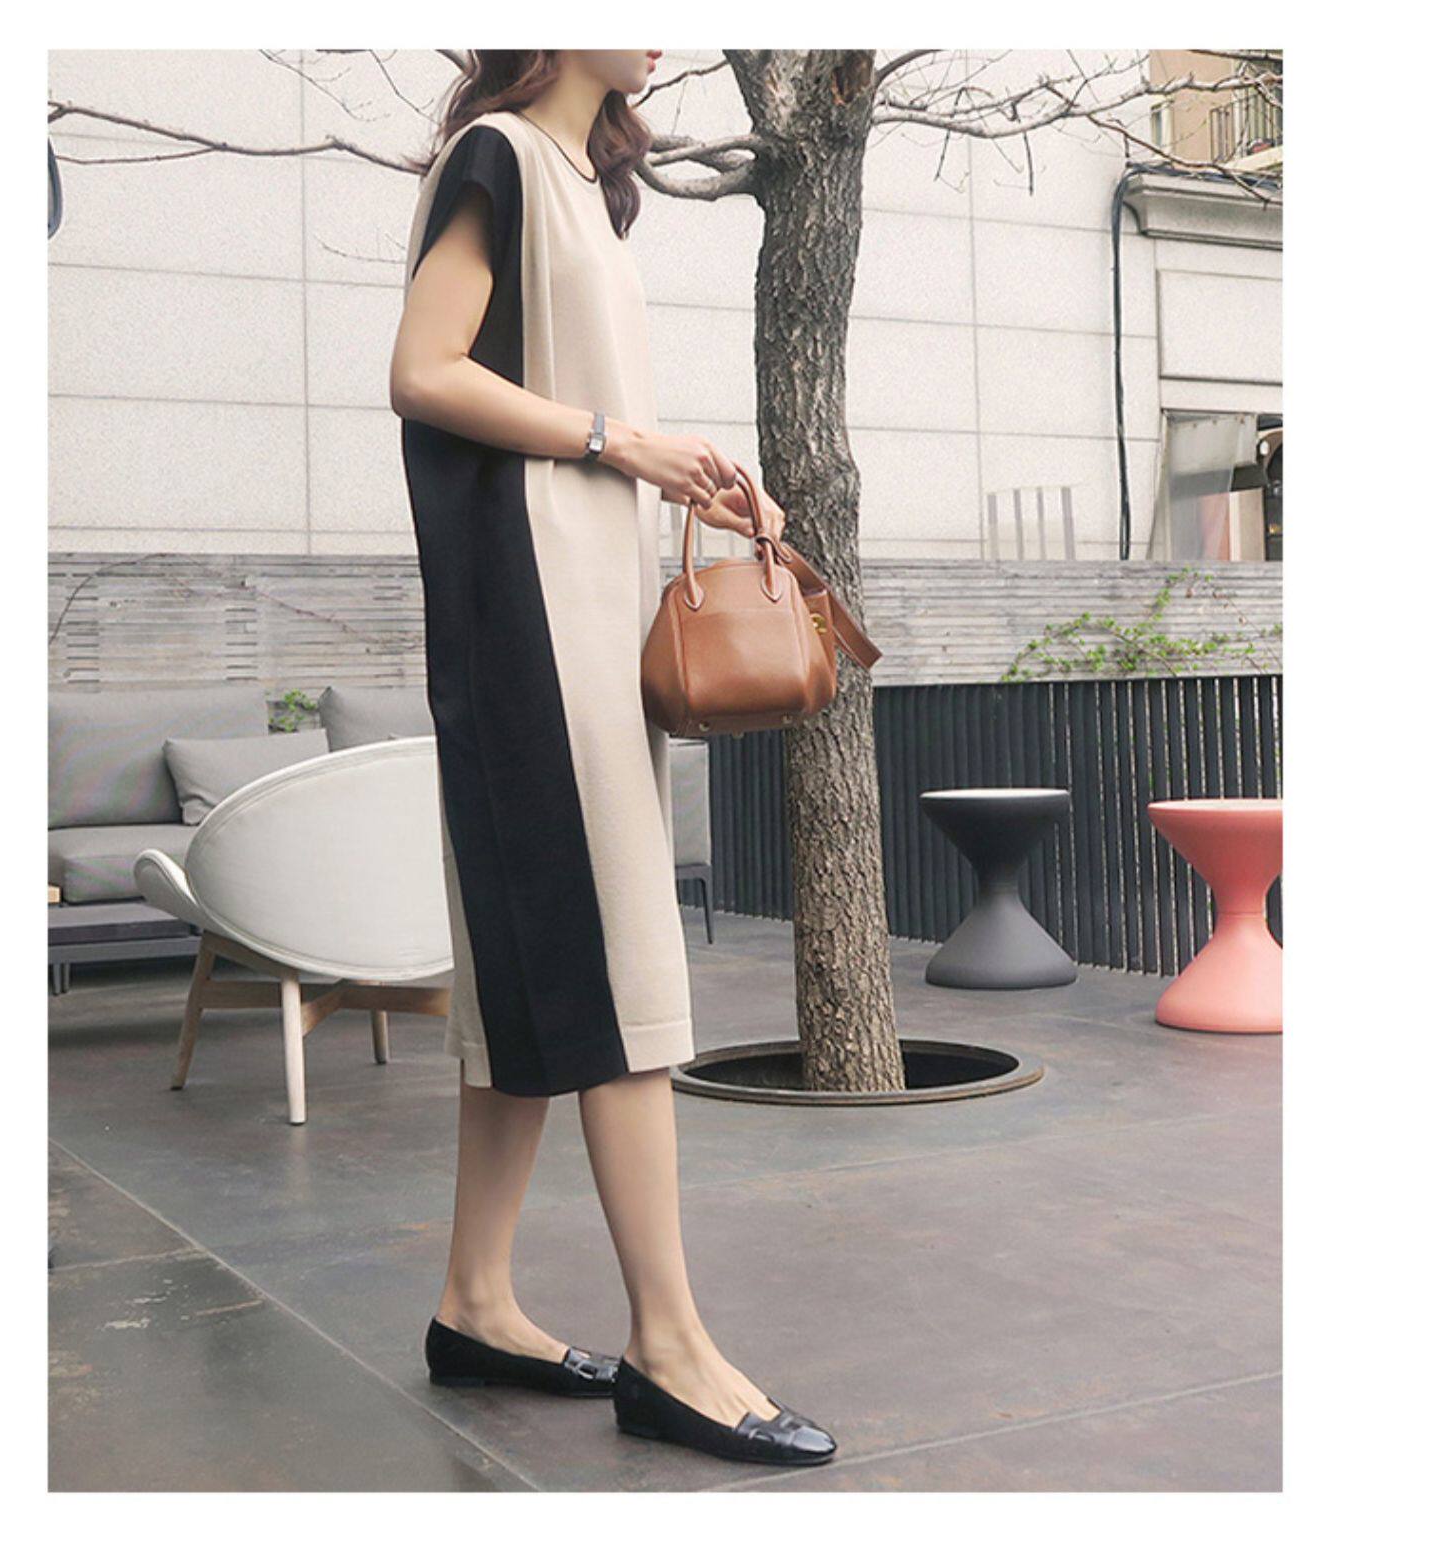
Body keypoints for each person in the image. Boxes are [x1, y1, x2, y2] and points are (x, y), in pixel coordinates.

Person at [389, 49, 836, 1468]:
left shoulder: (588, 183)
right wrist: (618, 442)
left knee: (532, 967)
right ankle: (671, 1345)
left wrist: (686, 470)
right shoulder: (503, 156)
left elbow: (591, 416)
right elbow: (421, 371)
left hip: (585, 603)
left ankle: (475, 1301)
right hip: (529, 611)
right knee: (623, 958)